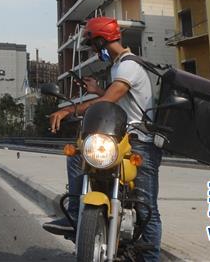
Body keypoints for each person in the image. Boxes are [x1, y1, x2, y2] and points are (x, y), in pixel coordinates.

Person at [41, 16, 163, 262]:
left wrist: (69, 110)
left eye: (93, 46)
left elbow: (109, 100)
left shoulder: (129, 65)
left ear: (101, 41)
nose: (94, 52)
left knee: (146, 206)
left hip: (140, 142)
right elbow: (115, 98)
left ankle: (151, 259)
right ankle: (75, 214)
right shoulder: (118, 66)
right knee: (78, 155)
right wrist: (97, 89)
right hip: (120, 139)